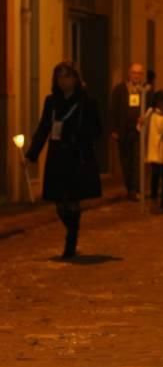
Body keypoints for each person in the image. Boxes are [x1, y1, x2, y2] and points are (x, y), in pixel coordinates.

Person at [25, 62, 102, 259]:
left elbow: (97, 129)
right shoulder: (51, 102)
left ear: (75, 78)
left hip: (77, 156)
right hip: (57, 155)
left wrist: (82, 136)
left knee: (73, 200)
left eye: (67, 76)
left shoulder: (86, 101)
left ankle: (71, 241)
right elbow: (43, 128)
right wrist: (32, 154)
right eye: (59, 77)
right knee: (59, 203)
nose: (63, 81)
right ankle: (72, 229)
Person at [110, 63, 152, 200]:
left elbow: (151, 107)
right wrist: (114, 129)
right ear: (129, 74)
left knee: (138, 159)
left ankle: (136, 189)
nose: (136, 76)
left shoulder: (146, 90)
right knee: (126, 160)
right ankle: (129, 188)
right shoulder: (120, 89)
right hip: (123, 131)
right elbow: (113, 110)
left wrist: (145, 117)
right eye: (134, 73)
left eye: (139, 73)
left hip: (139, 130)